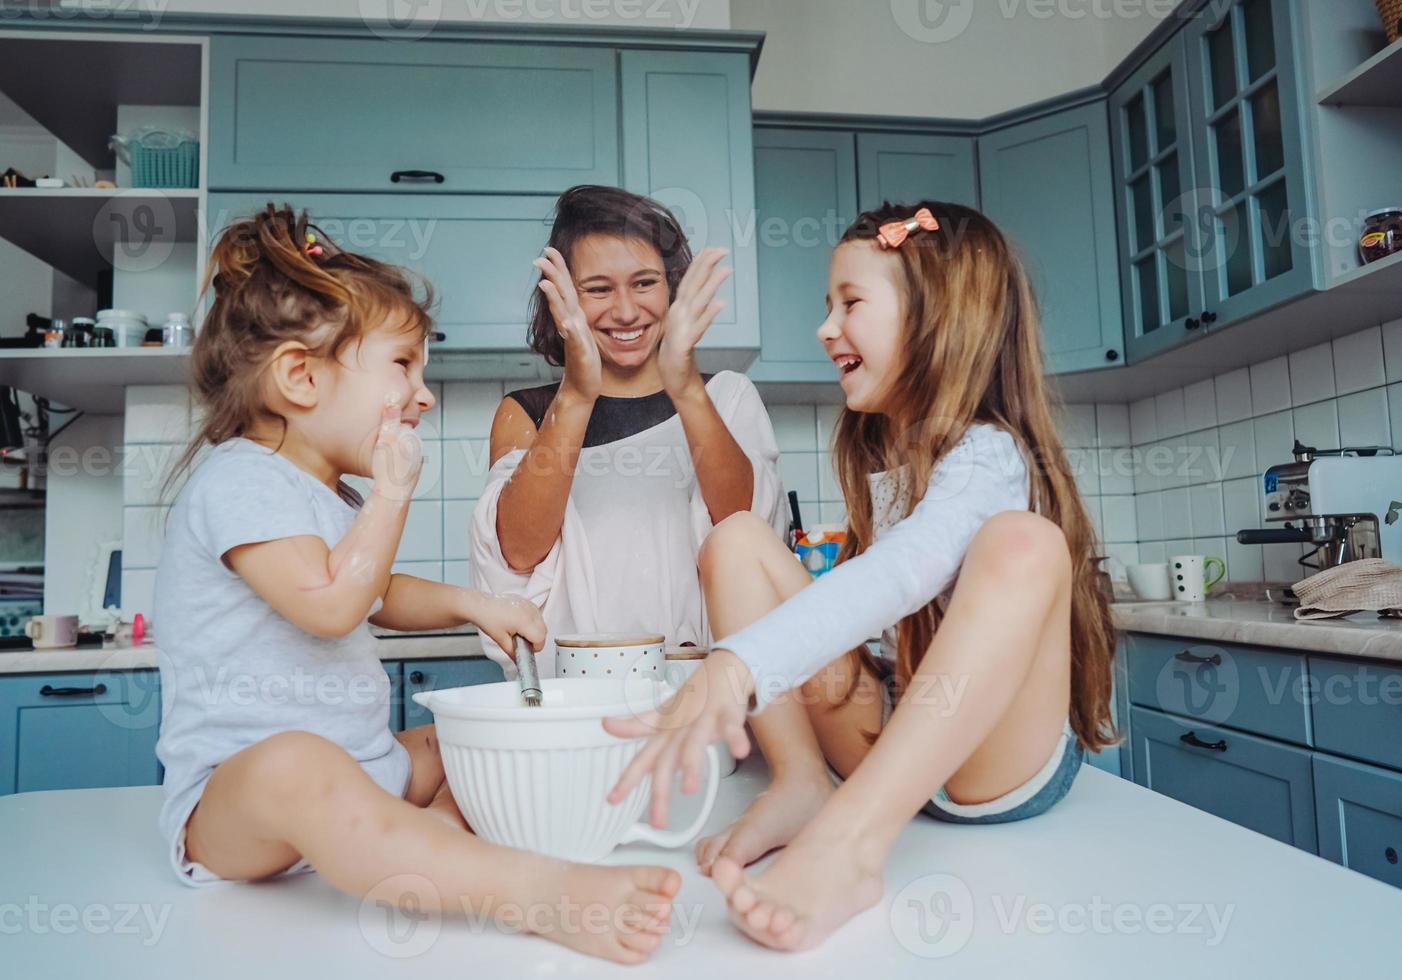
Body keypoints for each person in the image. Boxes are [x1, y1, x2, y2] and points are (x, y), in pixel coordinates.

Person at [154, 205, 680, 965]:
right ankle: (533, 891)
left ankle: (424, 849)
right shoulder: (241, 479)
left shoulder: (330, 495)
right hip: (242, 804)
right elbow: (335, 606)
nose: (423, 395)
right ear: (301, 377)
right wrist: (396, 495)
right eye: (403, 365)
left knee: (474, 743)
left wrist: (476, 604)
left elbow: (374, 590)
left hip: (364, 766)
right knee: (297, 763)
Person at [604, 202, 1118, 952]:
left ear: (936, 320)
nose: (824, 327)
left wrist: (737, 665)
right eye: (827, 305)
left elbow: (906, 571)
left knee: (1023, 544)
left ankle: (847, 849)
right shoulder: (889, 457)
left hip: (994, 768)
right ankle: (801, 781)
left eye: (850, 303)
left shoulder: (989, 455)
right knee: (738, 537)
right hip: (898, 732)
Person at [472, 185, 784, 673]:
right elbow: (517, 551)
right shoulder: (526, 414)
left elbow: (745, 529)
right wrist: (576, 393)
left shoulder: (726, 396)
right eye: (598, 289)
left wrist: (684, 384)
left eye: (644, 283)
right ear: (560, 297)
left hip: (706, 691)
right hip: (574, 701)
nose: (624, 311)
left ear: (672, 288)